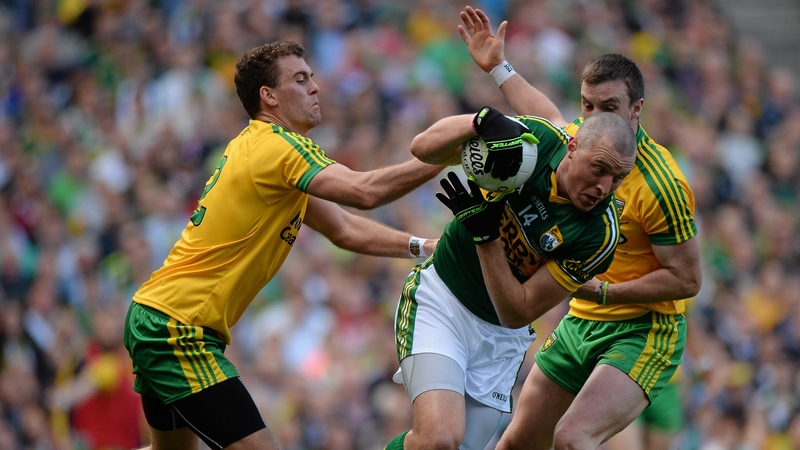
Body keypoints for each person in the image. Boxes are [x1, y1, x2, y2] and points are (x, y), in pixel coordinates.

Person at [123, 40, 446, 450]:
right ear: (269, 96)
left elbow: (344, 229)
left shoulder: (261, 149)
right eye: (300, 79)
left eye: (312, 77)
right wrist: (445, 153)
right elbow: (365, 192)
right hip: (177, 328)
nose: (315, 87)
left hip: (158, 315)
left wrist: (424, 246)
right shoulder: (278, 146)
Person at [458, 6, 702, 449]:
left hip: (642, 329)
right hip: (580, 322)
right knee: (514, 444)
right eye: (587, 106)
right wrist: (497, 67)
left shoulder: (662, 183)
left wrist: (606, 293)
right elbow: (546, 115)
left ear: (636, 108)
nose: (592, 118)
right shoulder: (584, 141)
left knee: (572, 438)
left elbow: (687, 279)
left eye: (608, 107)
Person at [386, 108, 638, 450]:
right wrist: (479, 121)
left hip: (500, 338)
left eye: (618, 178)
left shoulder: (599, 234)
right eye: (600, 169)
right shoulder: (537, 141)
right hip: (442, 300)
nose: (604, 187)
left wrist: (486, 237)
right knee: (439, 440)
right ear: (573, 147)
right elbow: (423, 148)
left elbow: (517, 312)